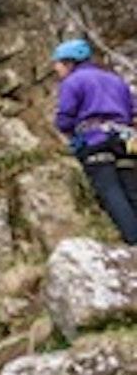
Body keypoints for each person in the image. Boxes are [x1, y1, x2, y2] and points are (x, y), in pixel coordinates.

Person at [51, 38, 137, 244]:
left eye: (58, 64)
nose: (56, 69)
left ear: (69, 63)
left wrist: (69, 131)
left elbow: (65, 118)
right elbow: (134, 112)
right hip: (125, 140)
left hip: (95, 141)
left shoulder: (72, 82)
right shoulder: (115, 80)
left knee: (111, 191)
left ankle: (134, 242)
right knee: (133, 190)